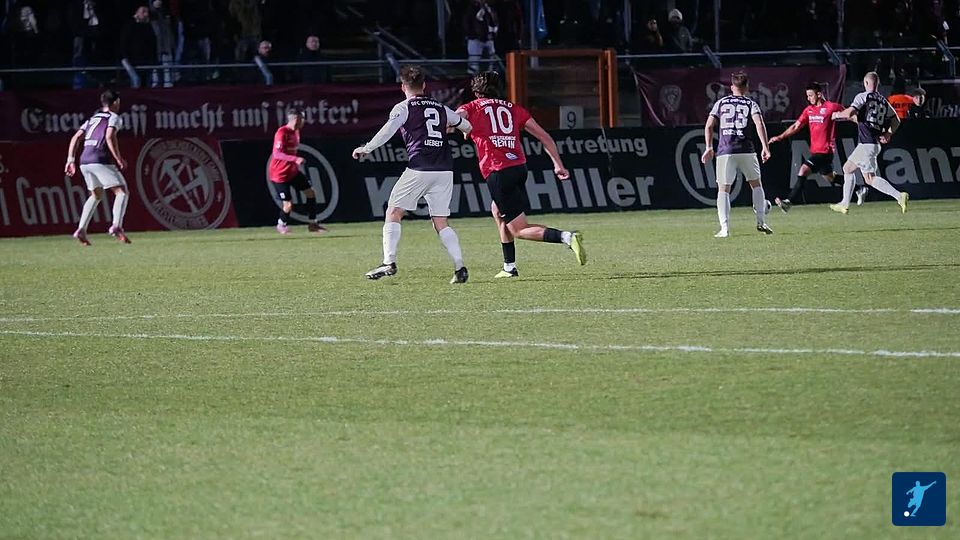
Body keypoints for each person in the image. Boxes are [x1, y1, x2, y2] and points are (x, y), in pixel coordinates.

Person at [456, 71, 586, 278]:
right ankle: (509, 267)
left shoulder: (471, 107)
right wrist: (558, 165)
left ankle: (567, 237)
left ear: (475, 91)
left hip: (498, 171)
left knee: (518, 229)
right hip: (518, 167)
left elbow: (454, 120)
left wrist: (461, 127)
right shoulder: (513, 108)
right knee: (497, 211)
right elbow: (545, 137)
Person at [353, 66, 472, 284]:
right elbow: (467, 125)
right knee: (441, 221)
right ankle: (460, 267)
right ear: (424, 85)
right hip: (444, 170)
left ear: (403, 86)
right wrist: (456, 128)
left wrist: (367, 148)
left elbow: (388, 130)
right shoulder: (440, 107)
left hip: (420, 168)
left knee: (393, 212)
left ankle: (388, 262)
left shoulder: (403, 107)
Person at [701, 71, 773, 238]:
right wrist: (765, 147)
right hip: (746, 149)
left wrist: (709, 147)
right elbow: (759, 124)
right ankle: (761, 221)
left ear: (732, 87)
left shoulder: (721, 103)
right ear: (747, 87)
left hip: (726, 150)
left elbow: (709, 125)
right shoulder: (751, 104)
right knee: (756, 185)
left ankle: (724, 228)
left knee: (723, 189)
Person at [830, 71, 908, 214]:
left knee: (868, 178)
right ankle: (844, 203)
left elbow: (849, 113)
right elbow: (896, 120)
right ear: (877, 84)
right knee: (849, 169)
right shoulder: (883, 101)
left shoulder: (863, 97)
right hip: (872, 143)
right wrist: (888, 133)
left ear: (865, 83)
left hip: (867, 144)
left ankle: (899, 196)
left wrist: (836, 115)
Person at [768, 82, 852, 212]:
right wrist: (780, 137)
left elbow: (850, 114)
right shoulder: (809, 110)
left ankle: (789, 202)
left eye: (811, 95)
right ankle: (860, 189)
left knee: (803, 170)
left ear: (819, 94)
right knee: (831, 178)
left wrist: (863, 125)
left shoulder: (831, 107)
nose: (808, 98)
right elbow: (796, 126)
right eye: (807, 96)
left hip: (825, 151)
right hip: (815, 151)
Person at [64, 90, 131, 245]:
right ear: (115, 103)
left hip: (84, 161)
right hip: (99, 158)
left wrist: (70, 160)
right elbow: (109, 136)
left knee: (96, 195)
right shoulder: (114, 117)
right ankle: (116, 226)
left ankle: (81, 229)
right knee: (122, 192)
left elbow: (76, 137)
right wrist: (118, 158)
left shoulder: (92, 119)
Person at [269, 107, 328, 234]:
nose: (304, 121)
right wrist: (295, 159)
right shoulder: (282, 132)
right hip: (280, 175)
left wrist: (294, 163)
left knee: (310, 193)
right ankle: (281, 225)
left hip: (292, 172)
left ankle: (313, 224)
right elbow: (277, 154)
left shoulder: (296, 132)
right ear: (296, 119)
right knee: (288, 205)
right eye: (303, 118)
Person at [463, 0, 498, 74]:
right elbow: (466, 22)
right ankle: (473, 77)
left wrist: (493, 33)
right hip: (475, 40)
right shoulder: (471, 8)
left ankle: (489, 78)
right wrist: (472, 34)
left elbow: (495, 22)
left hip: (489, 39)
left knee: (491, 63)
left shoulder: (489, 8)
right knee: (474, 64)